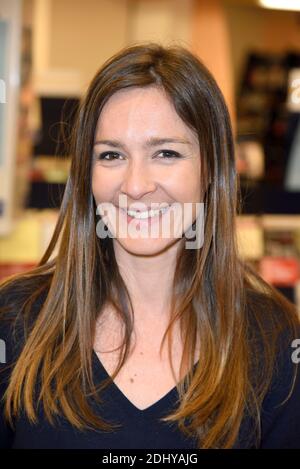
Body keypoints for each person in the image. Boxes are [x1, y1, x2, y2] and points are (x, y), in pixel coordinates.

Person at [1, 42, 300, 450]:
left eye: (165, 152)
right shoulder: (15, 321)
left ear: (210, 168)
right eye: (111, 155)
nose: (136, 185)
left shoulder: (277, 344)